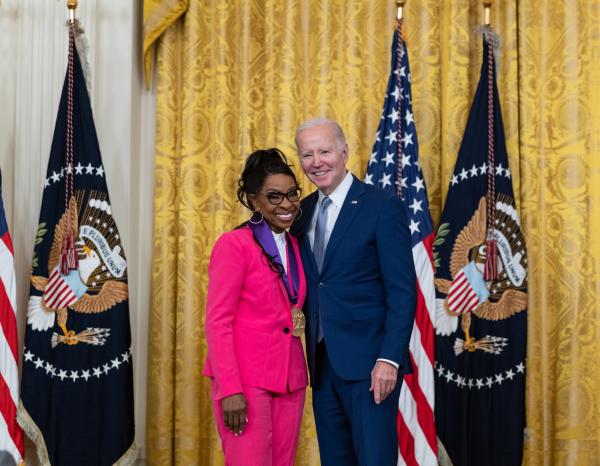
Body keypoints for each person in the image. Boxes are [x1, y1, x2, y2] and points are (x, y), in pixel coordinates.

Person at [291, 118, 417, 466]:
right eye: (307, 154)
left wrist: (389, 359)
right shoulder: (303, 212)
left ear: (344, 153)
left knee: (374, 459)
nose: (317, 162)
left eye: (325, 151)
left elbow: (402, 291)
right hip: (322, 364)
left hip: (370, 364)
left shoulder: (381, 206)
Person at [203, 148, 308, 466]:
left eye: (292, 194)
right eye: (274, 196)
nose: (287, 204)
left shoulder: (295, 244)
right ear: (253, 200)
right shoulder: (234, 245)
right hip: (246, 382)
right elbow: (217, 321)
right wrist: (230, 389)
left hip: (291, 379)